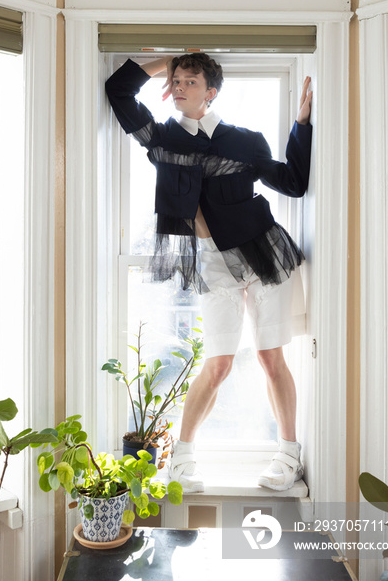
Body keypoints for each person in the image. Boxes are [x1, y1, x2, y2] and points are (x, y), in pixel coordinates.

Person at [106, 53, 312, 493]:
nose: (179, 87)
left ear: (211, 92)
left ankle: (288, 455)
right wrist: (165, 62)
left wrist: (302, 126)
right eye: (176, 81)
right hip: (213, 262)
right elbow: (118, 91)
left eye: (190, 81)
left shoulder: (244, 141)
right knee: (216, 364)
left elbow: (293, 182)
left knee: (269, 356)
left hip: (264, 253)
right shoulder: (161, 139)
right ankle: (181, 460)